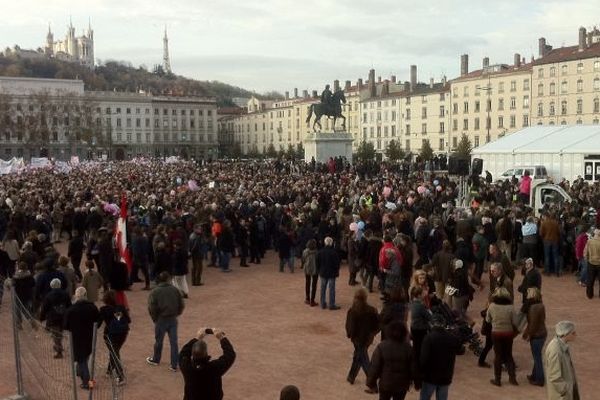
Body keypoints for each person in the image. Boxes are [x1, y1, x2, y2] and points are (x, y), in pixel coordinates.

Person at [179, 327, 236, 400]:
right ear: (206, 353)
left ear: (192, 353)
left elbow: (183, 353)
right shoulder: (214, 367)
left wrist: (197, 338)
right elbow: (230, 355)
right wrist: (221, 338)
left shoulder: (187, 367)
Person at [366, 321, 418, 399]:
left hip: (385, 384)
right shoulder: (408, 348)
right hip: (401, 385)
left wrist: (371, 382)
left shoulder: (382, 346)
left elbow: (375, 367)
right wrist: (417, 382)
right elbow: (413, 368)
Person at [146, 271, 185, 371]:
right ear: (169, 279)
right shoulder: (175, 290)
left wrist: (155, 318)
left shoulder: (155, 291)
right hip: (173, 319)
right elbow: (181, 304)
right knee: (174, 342)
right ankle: (174, 364)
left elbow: (151, 307)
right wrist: (177, 313)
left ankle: (156, 359)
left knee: (159, 341)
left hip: (161, 319)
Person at [63, 287, 100, 390]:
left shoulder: (71, 309)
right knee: (85, 356)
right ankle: (80, 372)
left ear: (76, 295)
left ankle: (87, 382)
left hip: (75, 337)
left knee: (81, 359)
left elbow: (65, 325)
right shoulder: (92, 307)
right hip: (89, 335)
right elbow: (98, 321)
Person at [419, 314, 462, 400]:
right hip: (446, 376)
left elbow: (423, 359)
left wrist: (420, 373)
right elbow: (460, 350)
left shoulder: (429, 338)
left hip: (430, 377)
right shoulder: (452, 337)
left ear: (431, 324)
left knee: (425, 397)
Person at [345, 288, 380, 385]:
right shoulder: (372, 310)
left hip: (357, 339)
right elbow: (377, 325)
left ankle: (371, 381)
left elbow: (350, 327)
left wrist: (350, 335)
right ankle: (351, 377)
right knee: (359, 356)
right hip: (368, 338)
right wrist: (373, 333)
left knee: (363, 359)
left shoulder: (352, 311)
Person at [486, 287, 518, 386]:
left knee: (498, 356)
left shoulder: (492, 306)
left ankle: (497, 379)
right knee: (509, 355)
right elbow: (515, 322)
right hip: (508, 333)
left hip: (496, 333)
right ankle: (512, 379)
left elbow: (488, 320)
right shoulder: (511, 307)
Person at [97, 290, 131, 385]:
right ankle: (109, 370)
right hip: (123, 334)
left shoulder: (103, 309)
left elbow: (98, 324)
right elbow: (128, 320)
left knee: (115, 353)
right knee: (114, 351)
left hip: (110, 335)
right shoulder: (121, 307)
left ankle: (121, 376)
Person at [544, 321, 579, 400]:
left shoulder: (561, 345)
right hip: (561, 396)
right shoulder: (555, 350)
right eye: (573, 333)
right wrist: (565, 390)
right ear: (565, 333)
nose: (576, 335)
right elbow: (554, 377)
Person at [39, 277, 71, 359]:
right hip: (63, 317)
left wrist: (41, 317)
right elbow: (69, 306)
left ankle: (59, 350)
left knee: (56, 335)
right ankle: (58, 346)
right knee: (59, 332)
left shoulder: (48, 295)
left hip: (53, 318)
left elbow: (44, 308)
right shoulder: (65, 294)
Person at [521, 287, 547, 387]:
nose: (526, 295)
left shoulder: (534, 308)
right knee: (537, 356)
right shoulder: (540, 305)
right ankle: (534, 375)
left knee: (537, 358)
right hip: (541, 333)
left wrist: (528, 335)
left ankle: (540, 379)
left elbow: (533, 324)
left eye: (528, 293)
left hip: (537, 335)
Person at [316, 237, 340, 310]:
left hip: (323, 272)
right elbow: (337, 263)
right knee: (331, 289)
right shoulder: (333, 252)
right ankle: (331, 304)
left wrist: (319, 270)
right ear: (331, 243)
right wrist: (337, 270)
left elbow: (317, 262)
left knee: (323, 288)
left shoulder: (320, 252)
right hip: (332, 272)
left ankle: (322, 303)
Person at [583, 228, 600, 299]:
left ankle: (589, 295)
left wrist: (586, 258)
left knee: (590, 279)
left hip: (591, 262)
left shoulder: (589, 241)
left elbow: (585, 252)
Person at [301, 239, 318, 306]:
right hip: (315, 269)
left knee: (307, 283)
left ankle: (307, 298)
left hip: (307, 268)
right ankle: (312, 300)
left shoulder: (305, 251)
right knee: (314, 285)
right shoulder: (316, 252)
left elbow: (303, 259)